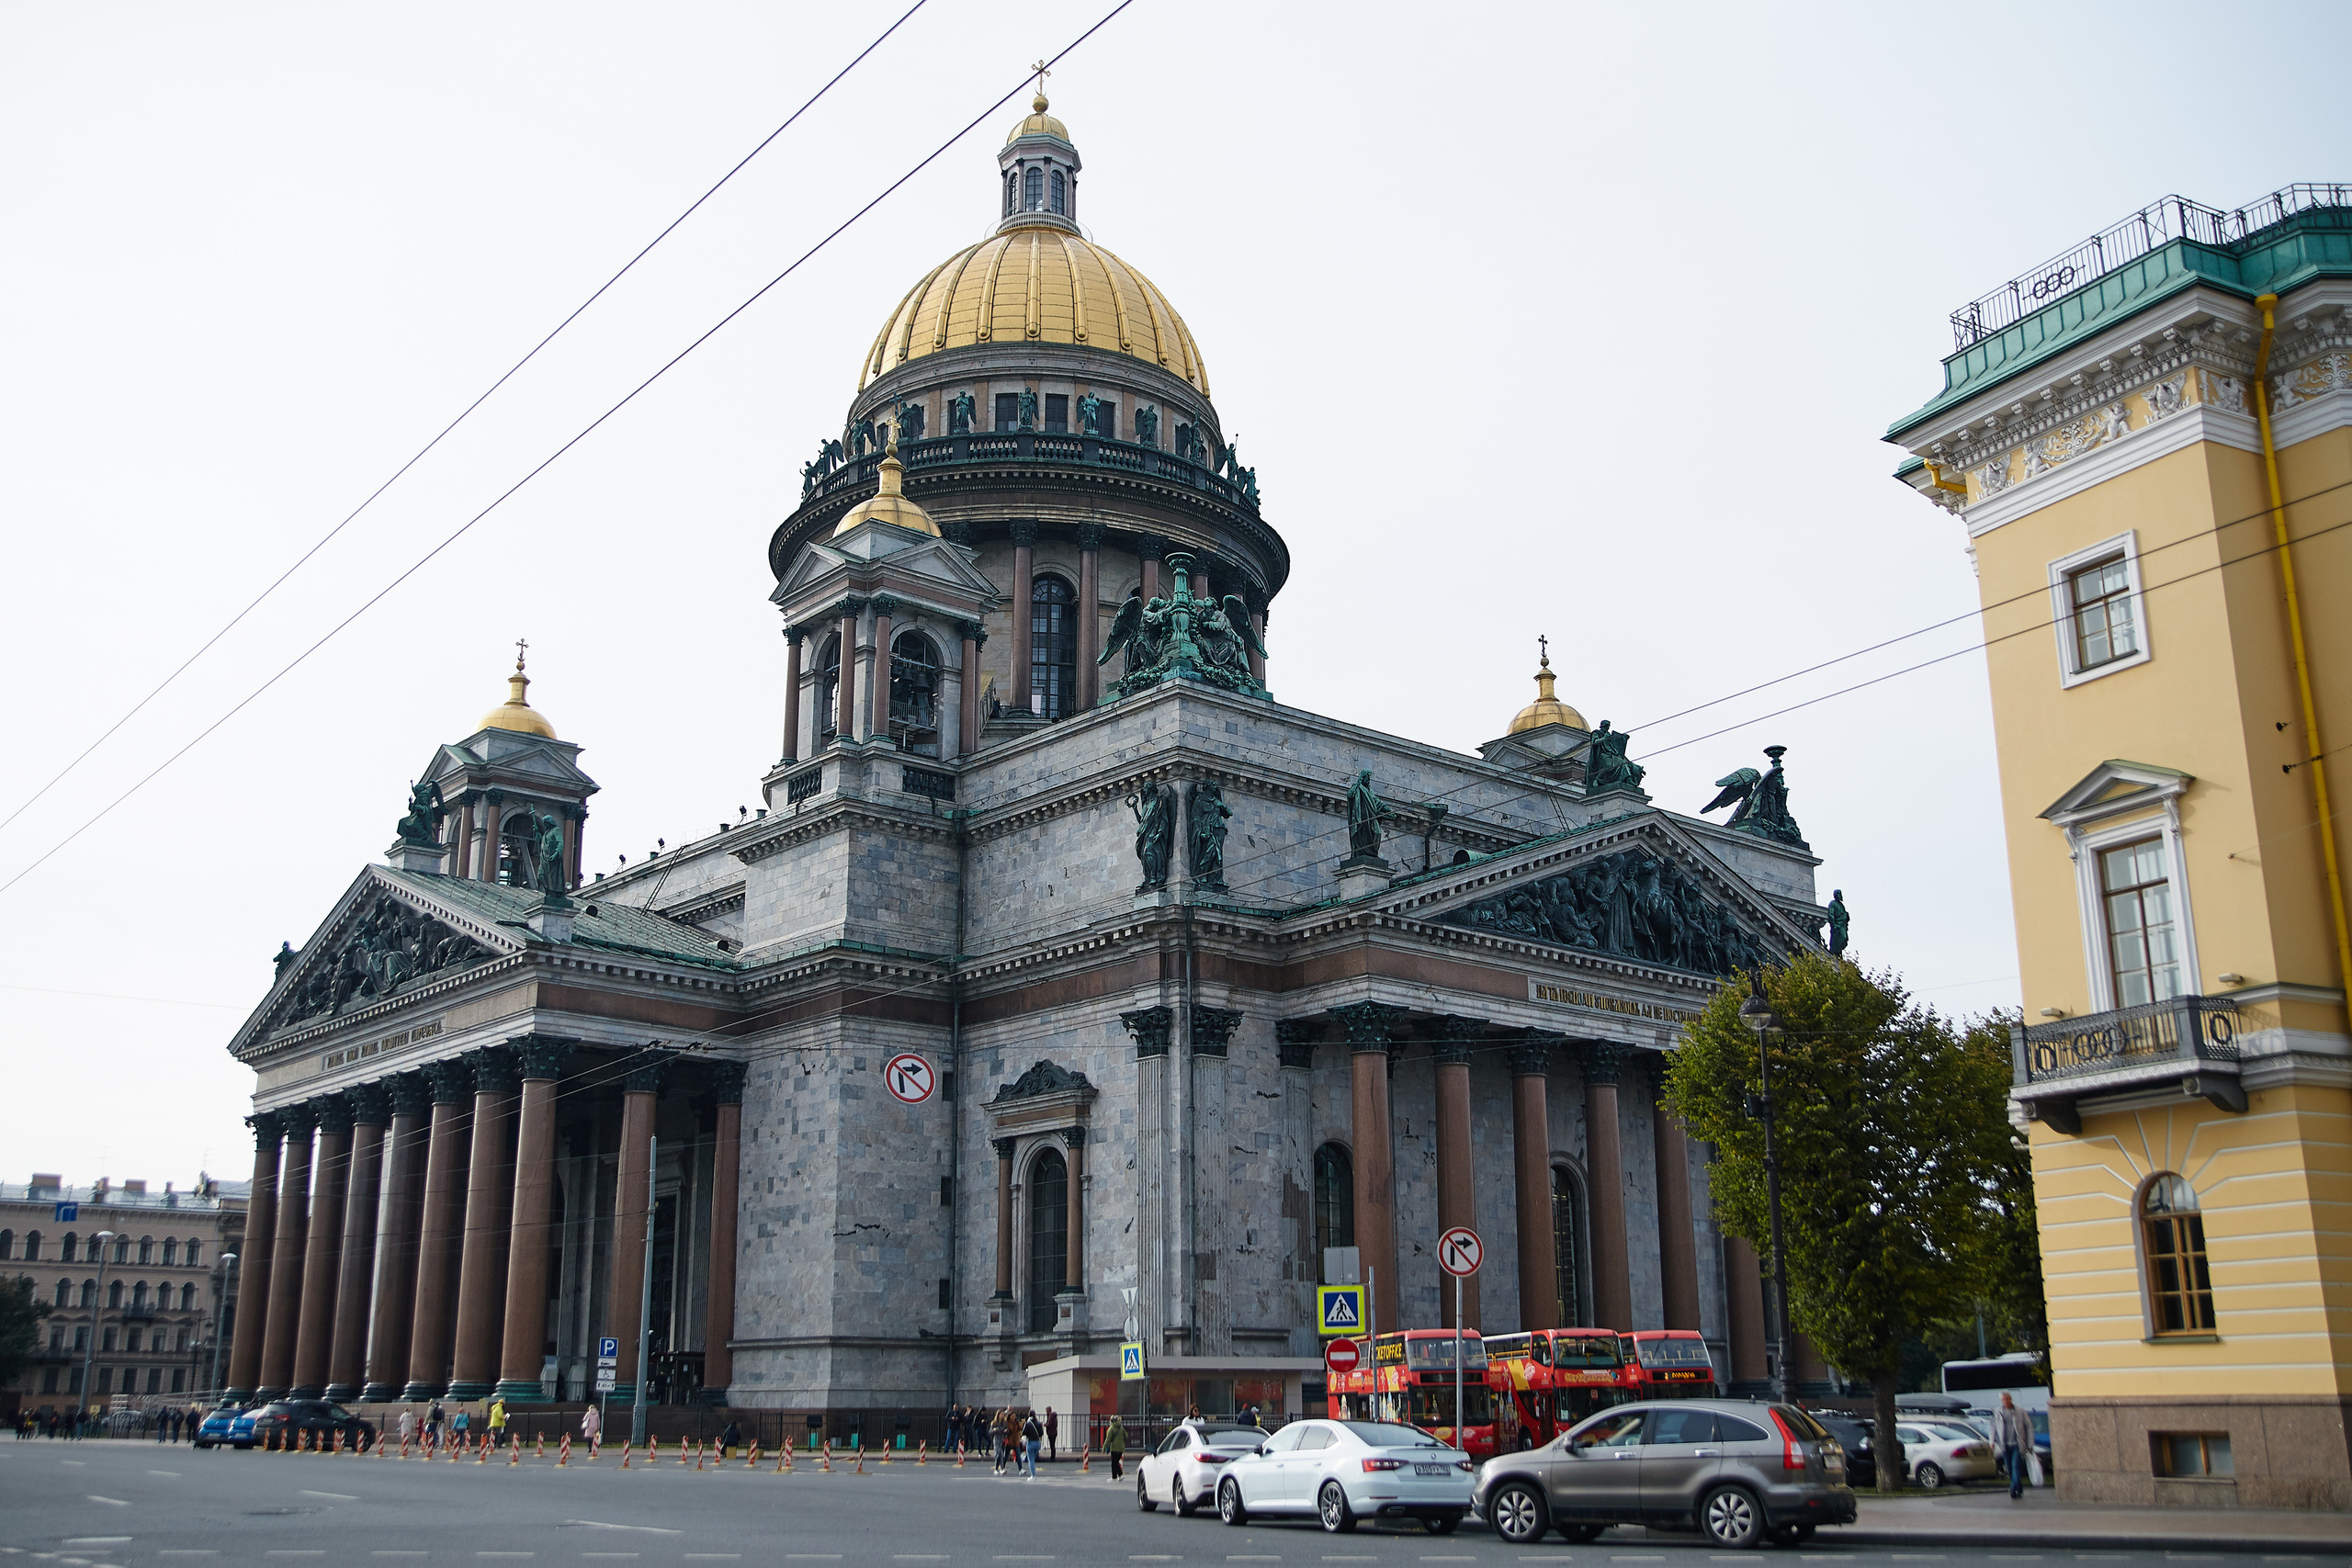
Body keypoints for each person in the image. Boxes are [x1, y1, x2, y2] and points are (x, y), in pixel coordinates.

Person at [1992, 1393, 2036, 1499]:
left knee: (2015, 1467)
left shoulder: (2019, 1411)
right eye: (2003, 1399)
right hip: (2004, 1445)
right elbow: (1992, 1427)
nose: (2005, 1401)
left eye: (2007, 1399)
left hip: (2017, 1445)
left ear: (2011, 1399)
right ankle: (2019, 1488)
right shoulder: (1998, 1411)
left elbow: (2029, 1427)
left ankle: (2012, 1489)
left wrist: (2029, 1444)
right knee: (2010, 1469)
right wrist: (1992, 1441)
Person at [1021, 1410, 1043, 1480]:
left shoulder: (1028, 1423)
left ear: (1029, 1415)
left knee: (1031, 1460)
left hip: (1030, 1442)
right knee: (1034, 1458)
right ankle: (1033, 1474)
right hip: (1037, 1442)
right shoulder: (1039, 1423)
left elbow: (1024, 1432)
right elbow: (1041, 1433)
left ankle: (1033, 1475)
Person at [1105, 1414, 1126, 1482]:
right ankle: (1119, 1475)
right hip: (1121, 1448)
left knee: (1114, 1462)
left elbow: (1108, 1439)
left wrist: (1104, 1448)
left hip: (1114, 1448)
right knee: (1116, 1462)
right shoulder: (1121, 1428)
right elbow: (1126, 1435)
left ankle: (1116, 1476)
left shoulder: (1111, 1428)